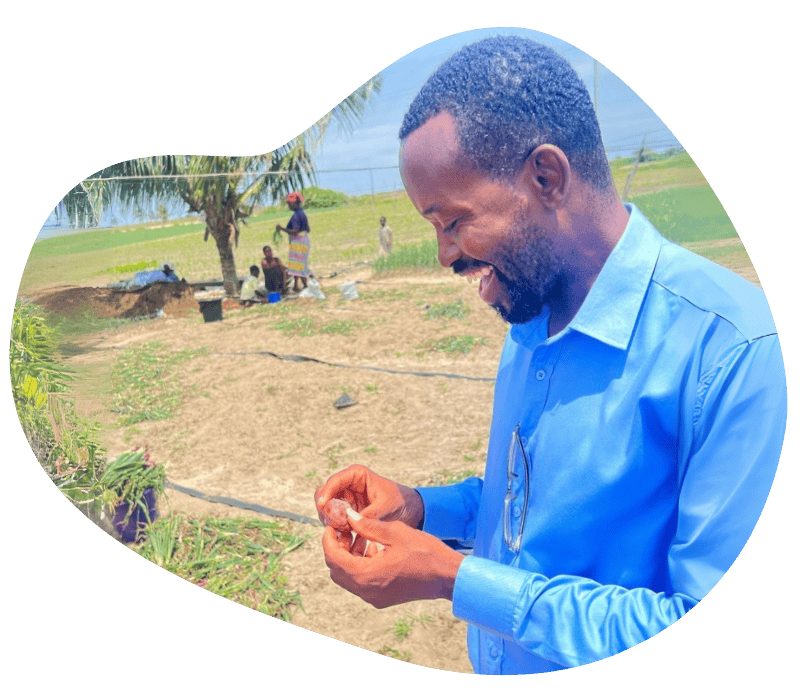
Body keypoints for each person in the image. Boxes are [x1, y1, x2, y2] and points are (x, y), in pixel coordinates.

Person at [314, 36, 787, 675]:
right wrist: (424, 508)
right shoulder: (533, 315)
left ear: (547, 177)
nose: (444, 255)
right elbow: (530, 508)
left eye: (452, 221)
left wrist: (456, 580)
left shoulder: (732, 355)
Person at [276, 191, 311, 293]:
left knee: (299, 265)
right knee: (296, 264)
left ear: (293, 203)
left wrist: (282, 229)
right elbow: (308, 229)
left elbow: (295, 230)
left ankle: (306, 286)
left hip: (298, 242)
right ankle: (296, 286)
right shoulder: (302, 213)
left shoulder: (296, 215)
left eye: (289, 204)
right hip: (304, 240)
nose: (288, 206)